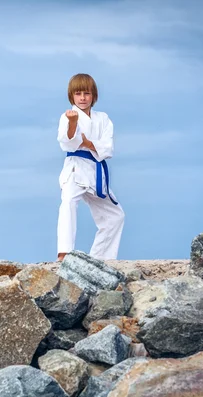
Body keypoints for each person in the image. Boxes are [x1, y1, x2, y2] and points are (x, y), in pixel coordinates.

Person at [56, 73, 125, 262]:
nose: (83, 98)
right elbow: (67, 141)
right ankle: (64, 252)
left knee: (115, 216)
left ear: (93, 95)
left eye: (86, 93)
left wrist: (87, 142)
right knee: (68, 203)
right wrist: (73, 124)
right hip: (75, 169)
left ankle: (100, 258)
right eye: (78, 94)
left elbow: (108, 147)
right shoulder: (68, 116)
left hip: (95, 172)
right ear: (72, 96)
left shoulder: (103, 119)